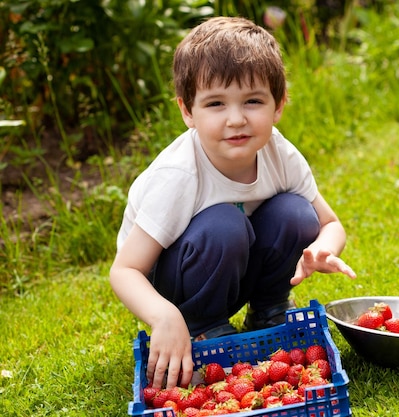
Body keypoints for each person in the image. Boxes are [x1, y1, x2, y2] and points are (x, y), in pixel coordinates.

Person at [109, 16, 356, 390]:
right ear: (187, 111)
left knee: (295, 212)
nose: (236, 119)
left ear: (279, 105)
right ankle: (201, 328)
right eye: (215, 104)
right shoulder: (179, 175)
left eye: (253, 101)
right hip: (174, 283)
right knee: (224, 223)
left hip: (234, 268)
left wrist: (322, 248)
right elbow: (124, 270)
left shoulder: (280, 154)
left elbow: (329, 223)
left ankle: (269, 313)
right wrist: (164, 316)